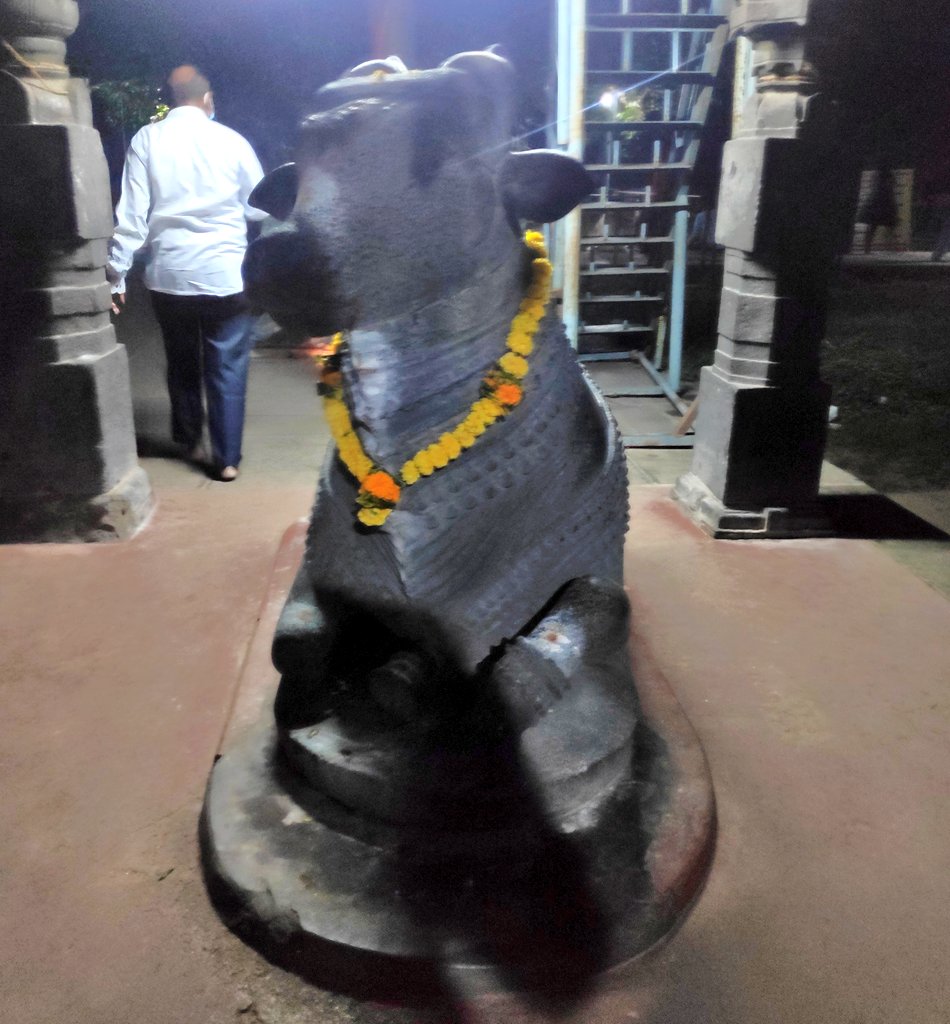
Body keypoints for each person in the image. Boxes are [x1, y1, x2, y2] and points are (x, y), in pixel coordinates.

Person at [107, 66, 266, 481]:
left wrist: (116, 274)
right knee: (227, 363)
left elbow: (131, 217)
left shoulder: (147, 139)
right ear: (207, 98)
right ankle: (227, 458)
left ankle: (189, 436)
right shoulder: (232, 141)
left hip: (170, 275)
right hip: (226, 274)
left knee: (181, 359)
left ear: (172, 97)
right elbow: (259, 206)